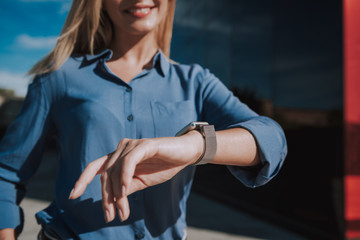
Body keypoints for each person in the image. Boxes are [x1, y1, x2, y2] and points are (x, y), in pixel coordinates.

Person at [0, 0, 287, 239]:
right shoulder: (59, 78)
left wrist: (195, 145)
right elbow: (7, 174)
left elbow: (271, 139)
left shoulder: (196, 81)